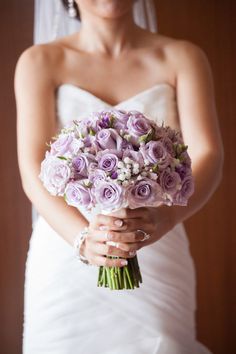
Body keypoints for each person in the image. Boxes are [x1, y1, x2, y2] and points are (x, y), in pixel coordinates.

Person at [15, 0, 223, 353]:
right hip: (64, 251)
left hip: (158, 242)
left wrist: (166, 217)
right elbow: (33, 168)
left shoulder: (182, 57)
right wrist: (82, 239)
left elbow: (208, 153)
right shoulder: (40, 61)